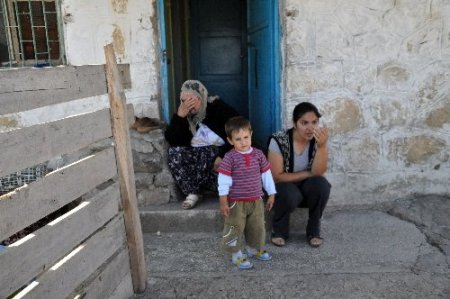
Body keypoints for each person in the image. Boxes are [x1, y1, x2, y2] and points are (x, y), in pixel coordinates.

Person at [164, 80, 239, 209]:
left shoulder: (218, 109)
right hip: (200, 164)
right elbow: (173, 140)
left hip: (219, 163)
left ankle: (224, 191)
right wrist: (180, 117)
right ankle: (193, 192)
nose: (187, 105)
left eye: (192, 100)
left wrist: (223, 155)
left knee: (207, 152)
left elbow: (239, 133)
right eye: (183, 101)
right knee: (174, 152)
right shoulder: (184, 116)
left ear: (201, 97)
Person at [268, 102, 331, 248]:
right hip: (284, 186)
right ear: (295, 124)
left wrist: (322, 146)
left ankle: (314, 230)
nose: (310, 128)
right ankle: (279, 231)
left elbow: (318, 172)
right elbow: (277, 176)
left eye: (314, 122)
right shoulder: (279, 140)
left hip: (306, 187)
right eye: (304, 123)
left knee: (322, 186)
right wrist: (308, 173)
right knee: (288, 193)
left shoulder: (318, 139)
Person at [217, 116, 276, 269]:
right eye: (238, 139)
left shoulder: (258, 154)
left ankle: (253, 249)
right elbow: (224, 180)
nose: (243, 142)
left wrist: (271, 193)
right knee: (234, 227)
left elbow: (266, 174)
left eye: (246, 137)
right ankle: (236, 254)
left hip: (256, 200)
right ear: (230, 140)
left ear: (251, 134)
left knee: (256, 227)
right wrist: (223, 200)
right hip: (236, 202)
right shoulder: (230, 158)